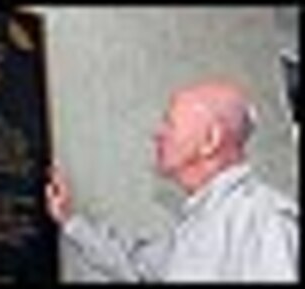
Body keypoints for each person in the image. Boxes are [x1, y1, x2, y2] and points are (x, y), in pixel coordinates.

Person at [45, 79, 299, 282]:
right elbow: (136, 265)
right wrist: (70, 220)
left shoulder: (263, 220)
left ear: (210, 140)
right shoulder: (196, 226)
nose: (157, 134)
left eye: (170, 123)